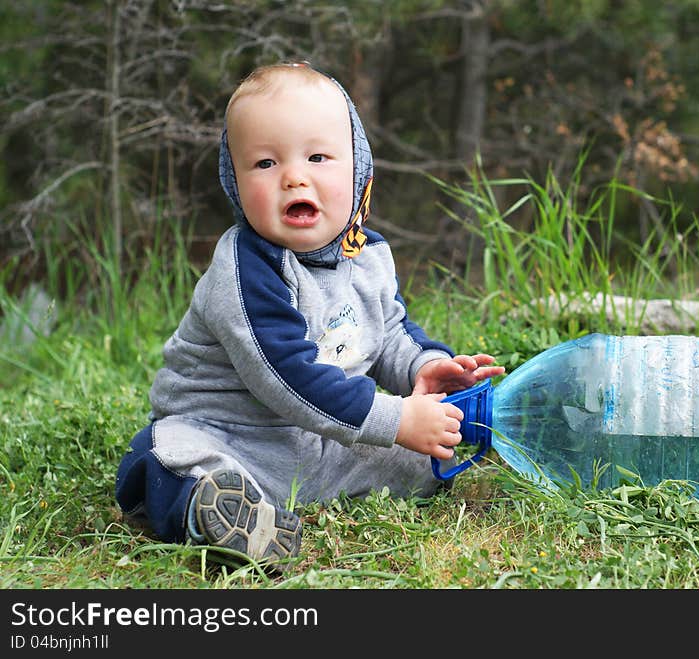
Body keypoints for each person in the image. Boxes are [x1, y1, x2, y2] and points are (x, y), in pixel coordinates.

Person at [114, 61, 504, 570]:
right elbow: (288, 377)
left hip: (317, 440)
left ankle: (285, 497)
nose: (294, 176)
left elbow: (388, 332)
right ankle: (212, 508)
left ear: (358, 168)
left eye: (318, 156)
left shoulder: (367, 255)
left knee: (432, 456)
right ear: (233, 180)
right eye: (265, 164)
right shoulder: (246, 268)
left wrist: (423, 367)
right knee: (170, 456)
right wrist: (395, 416)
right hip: (231, 432)